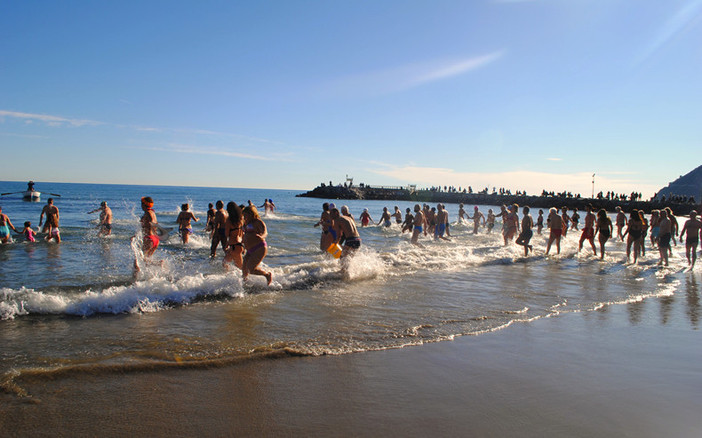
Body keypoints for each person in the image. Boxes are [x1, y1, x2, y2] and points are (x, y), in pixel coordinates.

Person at [242, 205, 272, 284]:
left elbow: (265, 232)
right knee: (244, 269)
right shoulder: (246, 222)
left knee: (251, 269)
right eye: (244, 215)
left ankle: (267, 274)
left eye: (246, 215)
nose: (244, 216)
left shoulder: (258, 222)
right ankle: (244, 285)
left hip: (259, 247)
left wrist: (262, 236)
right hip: (249, 249)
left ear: (251, 213)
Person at [134, 196, 159, 272]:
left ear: (144, 205)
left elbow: (152, 222)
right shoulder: (152, 212)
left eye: (141, 204)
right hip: (155, 239)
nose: (141, 205)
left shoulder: (148, 212)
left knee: (137, 261)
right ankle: (149, 277)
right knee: (146, 261)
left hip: (149, 238)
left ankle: (134, 280)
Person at [222, 202, 244, 271]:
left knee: (240, 267)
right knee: (225, 263)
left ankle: (245, 280)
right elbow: (242, 232)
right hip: (238, 245)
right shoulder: (241, 219)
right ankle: (231, 278)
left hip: (234, 246)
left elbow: (227, 234)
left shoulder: (229, 220)